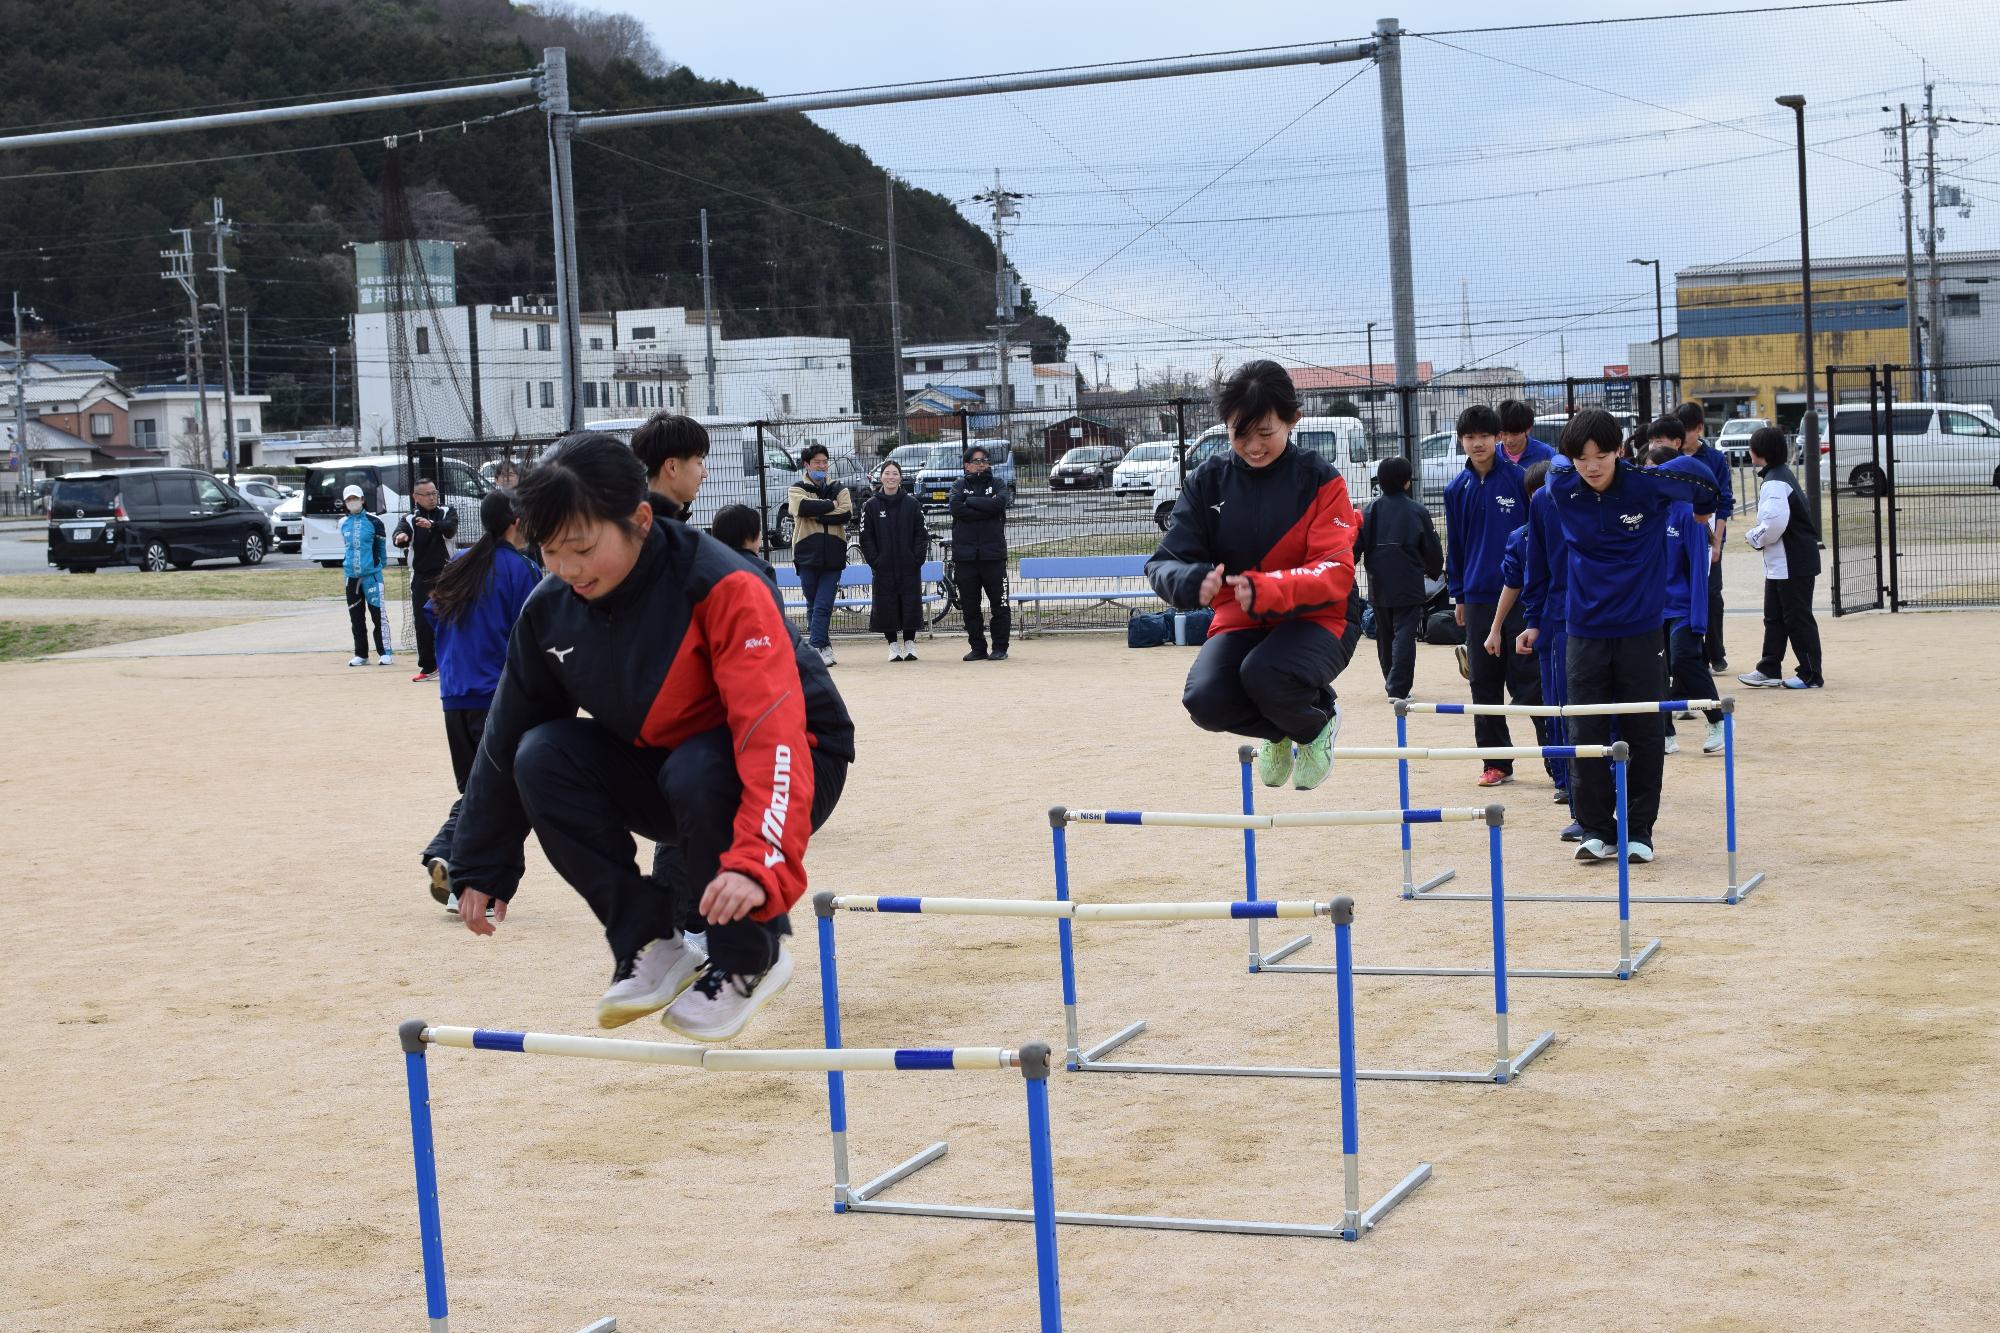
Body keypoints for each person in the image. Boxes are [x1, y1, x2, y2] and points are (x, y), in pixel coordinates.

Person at [446, 434, 855, 1042]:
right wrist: (481, 859)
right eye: (549, 551)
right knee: (542, 755)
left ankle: (751, 954)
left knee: (700, 765)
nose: (567, 569)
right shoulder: (550, 608)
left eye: (582, 548)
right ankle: (650, 942)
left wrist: (757, 866)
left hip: (796, 759)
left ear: (639, 520)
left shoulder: (722, 584)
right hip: (667, 766)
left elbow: (771, 736)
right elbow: (507, 736)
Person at [1146, 359, 1360, 792]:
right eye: (1240, 434)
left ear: (1292, 420)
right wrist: (1191, 581)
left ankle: (1316, 722)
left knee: (1264, 672)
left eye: (1265, 432)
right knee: (1205, 700)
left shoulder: (1320, 479)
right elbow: (1162, 562)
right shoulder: (1207, 481)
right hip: (1241, 619)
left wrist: (1268, 588)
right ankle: (1279, 732)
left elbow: (1335, 571)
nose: (1254, 446)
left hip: (1321, 618)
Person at [1547, 409, 1720, 865]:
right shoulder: (1561, 485)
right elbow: (1554, 466)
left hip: (1641, 629)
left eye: (1601, 456)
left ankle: (1639, 829)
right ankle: (1596, 829)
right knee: (1584, 730)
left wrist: (1702, 513)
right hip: (1583, 630)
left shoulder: (1648, 484)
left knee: (1643, 730)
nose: (1592, 467)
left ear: (1619, 452)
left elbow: (1703, 477)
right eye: (1582, 458)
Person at [420, 489, 542, 914]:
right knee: (499, 793)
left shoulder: (461, 561)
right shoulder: (522, 569)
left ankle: (459, 883)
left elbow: (432, 612)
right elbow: (535, 631)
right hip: (497, 696)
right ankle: (459, 865)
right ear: (516, 523)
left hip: (455, 693)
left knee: (477, 788)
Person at [1443, 403, 1543, 787]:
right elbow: (1456, 546)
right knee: (1483, 683)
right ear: (1461, 441)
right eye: (1470, 437)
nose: (1478, 443)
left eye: (1485, 436)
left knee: (1530, 681)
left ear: (1498, 438)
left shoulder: (1520, 480)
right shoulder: (1457, 489)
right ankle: (1496, 761)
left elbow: (1538, 535)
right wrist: (1459, 595)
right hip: (1477, 597)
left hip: (1521, 595)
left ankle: (1558, 763)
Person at [1643, 441, 1725, 755]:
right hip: (1653, 609)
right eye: (1647, 471)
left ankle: (1717, 720)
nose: (1650, 477)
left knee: (1685, 660)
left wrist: (1699, 617)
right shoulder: (1647, 511)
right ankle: (1665, 734)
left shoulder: (1689, 514)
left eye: (1656, 471)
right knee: (1655, 672)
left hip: (1683, 607)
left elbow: (1699, 569)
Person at [1517, 456, 1582, 840]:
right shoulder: (1541, 505)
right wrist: (1532, 621)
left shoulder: (1622, 491)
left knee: (1605, 714)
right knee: (1561, 709)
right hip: (1556, 622)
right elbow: (1532, 573)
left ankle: (1621, 806)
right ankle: (1573, 794)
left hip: (1608, 619)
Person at [1738, 425, 1824, 690]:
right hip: (1784, 563)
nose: (1749, 452)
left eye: (1751, 447)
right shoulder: (1778, 475)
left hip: (1792, 562)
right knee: (1774, 617)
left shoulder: (1775, 481)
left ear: (1759, 451)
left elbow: (1774, 524)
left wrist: (1753, 537)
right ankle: (1769, 668)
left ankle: (1811, 674)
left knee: (1797, 618)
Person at [1355, 453, 1442, 699]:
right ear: (1407, 482)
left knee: (1384, 635)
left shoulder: (1370, 510)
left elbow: (1355, 547)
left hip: (1378, 581)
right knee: (1405, 633)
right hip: (1409, 581)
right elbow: (1432, 549)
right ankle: (1399, 687)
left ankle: (1390, 681)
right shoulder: (1417, 510)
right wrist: (1434, 570)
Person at [1675, 401, 1733, 672]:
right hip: (1677, 536)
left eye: (1687, 430)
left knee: (1711, 594)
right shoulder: (1672, 456)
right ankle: (1693, 653)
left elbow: (1725, 501)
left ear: (1699, 428)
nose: (1682, 437)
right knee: (1683, 595)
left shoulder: (1714, 459)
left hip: (1708, 535)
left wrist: (1717, 541)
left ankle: (1715, 651)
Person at [788, 443, 853, 667]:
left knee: (823, 605)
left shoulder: (839, 487)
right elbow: (801, 508)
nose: (822, 466)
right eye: (817, 462)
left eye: (825, 462)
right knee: (813, 604)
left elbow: (845, 512)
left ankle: (814, 649)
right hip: (806, 554)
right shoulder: (797, 488)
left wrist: (819, 514)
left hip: (834, 555)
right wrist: (829, 505)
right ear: (807, 464)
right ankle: (825, 648)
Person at [947, 444, 1012, 661]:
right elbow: (956, 508)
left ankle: (1000, 647)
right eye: (976, 461)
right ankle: (978, 648)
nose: (981, 464)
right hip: (965, 558)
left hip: (993, 556)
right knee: (970, 607)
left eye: (984, 460)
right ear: (967, 465)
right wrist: (986, 508)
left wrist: (972, 502)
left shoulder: (998, 483)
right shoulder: (959, 485)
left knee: (1000, 605)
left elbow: (1000, 504)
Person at [861, 459, 929, 661]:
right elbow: (866, 537)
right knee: (886, 604)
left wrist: (916, 558)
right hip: (883, 567)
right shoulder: (870, 506)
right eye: (887, 473)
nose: (891, 477)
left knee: (910, 603)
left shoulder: (912, 504)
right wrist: (875, 561)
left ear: (900, 478)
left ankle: (909, 643)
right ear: (881, 476)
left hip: (909, 566)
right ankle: (892, 645)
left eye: (895, 473)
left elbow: (921, 534)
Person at [393, 478, 459, 683]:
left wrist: (432, 525)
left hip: (446, 574)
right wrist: (400, 537)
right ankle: (429, 666)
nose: (432, 497)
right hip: (421, 576)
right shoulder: (410, 518)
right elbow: (399, 532)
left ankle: (453, 663)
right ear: (416, 497)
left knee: (449, 619)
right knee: (422, 622)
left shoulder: (447, 511)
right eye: (427, 494)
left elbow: (450, 529)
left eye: (434, 493)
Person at [341, 483, 392, 667]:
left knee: (378, 616)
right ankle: (361, 654)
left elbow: (381, 550)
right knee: (356, 617)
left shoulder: (375, 521)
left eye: (355, 498)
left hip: (372, 576)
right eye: (349, 499)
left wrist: (376, 566)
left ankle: (385, 652)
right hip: (351, 577)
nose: (352, 502)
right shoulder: (343, 523)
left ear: (362, 499)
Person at [629, 412, 710, 522]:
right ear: (672, 467)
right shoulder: (656, 528)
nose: (705, 474)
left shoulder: (636, 520)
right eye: (699, 463)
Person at [710, 503, 776, 582]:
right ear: (748, 536)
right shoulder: (763, 569)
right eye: (759, 530)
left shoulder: (707, 567)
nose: (761, 536)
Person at [1497, 398, 1558, 469]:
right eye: (1504, 434)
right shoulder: (1493, 454)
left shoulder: (1546, 453)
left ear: (1528, 430)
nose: (1509, 440)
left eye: (1515, 434)